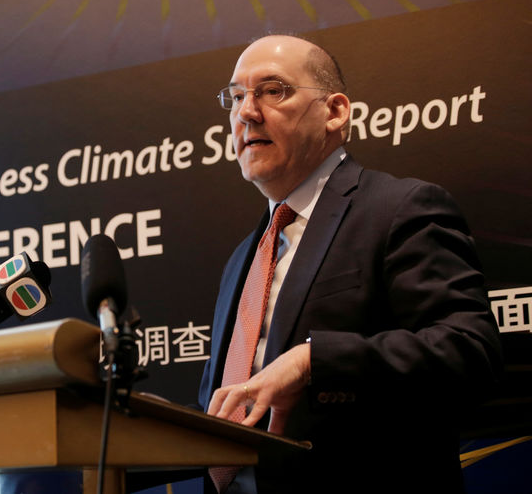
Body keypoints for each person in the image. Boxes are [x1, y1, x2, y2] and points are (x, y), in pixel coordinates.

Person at [197, 34, 502, 493]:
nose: (245, 112)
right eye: (236, 96)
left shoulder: (401, 208)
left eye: (272, 90)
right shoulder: (244, 256)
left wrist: (313, 360)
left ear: (335, 112)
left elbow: (468, 353)